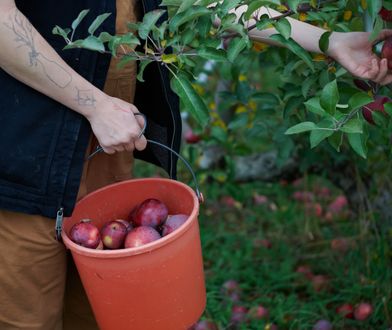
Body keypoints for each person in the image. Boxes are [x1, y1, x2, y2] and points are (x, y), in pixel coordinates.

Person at [0, 1, 391, 329]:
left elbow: (205, 4)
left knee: (101, 309)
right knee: (25, 317)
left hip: (102, 153)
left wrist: (331, 40)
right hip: (20, 158)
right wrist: (95, 105)